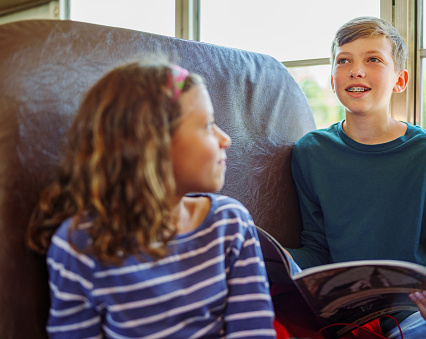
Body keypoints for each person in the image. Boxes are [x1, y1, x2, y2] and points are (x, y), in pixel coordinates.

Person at [26, 57, 276, 338]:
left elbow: (252, 330)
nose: (225, 139)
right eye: (207, 125)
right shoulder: (78, 245)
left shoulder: (231, 224)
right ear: (153, 144)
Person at [286, 17, 426, 338]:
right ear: (333, 79)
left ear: (400, 80)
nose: (356, 70)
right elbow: (317, 249)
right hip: (343, 320)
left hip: (420, 315)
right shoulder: (309, 151)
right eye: (343, 60)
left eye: (373, 59)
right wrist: (268, 254)